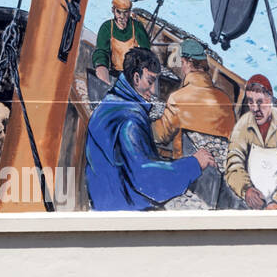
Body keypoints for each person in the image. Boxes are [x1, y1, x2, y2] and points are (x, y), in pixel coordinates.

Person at [85, 46, 215, 211]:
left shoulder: (111, 101)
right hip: (120, 206)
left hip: (103, 196)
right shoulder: (130, 121)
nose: (154, 90)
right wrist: (194, 164)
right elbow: (146, 179)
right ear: (136, 77)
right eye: (150, 81)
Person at [223, 74, 277, 210]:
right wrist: (246, 190)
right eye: (250, 102)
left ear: (270, 100)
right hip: (252, 201)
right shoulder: (243, 124)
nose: (255, 109)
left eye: (260, 102)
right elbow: (233, 163)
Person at [151, 38, 236, 159]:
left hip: (186, 169)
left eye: (182, 63)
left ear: (185, 62)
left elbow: (160, 136)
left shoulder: (178, 99)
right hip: (217, 173)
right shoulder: (225, 100)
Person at [93, 0, 152, 84]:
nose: (122, 16)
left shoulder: (137, 27)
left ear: (129, 12)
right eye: (118, 12)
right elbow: (101, 51)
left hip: (133, 75)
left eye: (125, 13)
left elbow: (146, 51)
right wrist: (101, 67)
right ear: (113, 10)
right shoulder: (107, 27)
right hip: (114, 73)